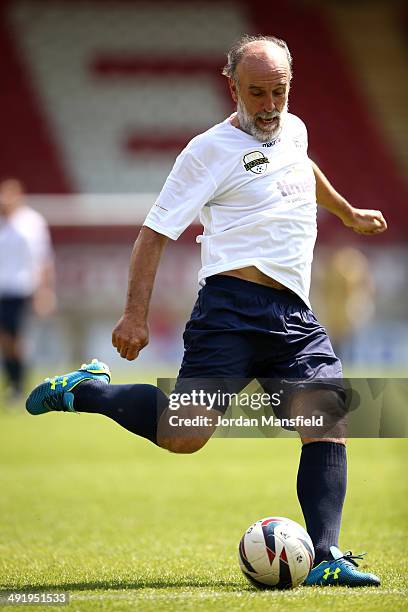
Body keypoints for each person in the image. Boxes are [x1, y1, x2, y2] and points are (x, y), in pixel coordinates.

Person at [26, 35, 387, 586]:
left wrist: (348, 212)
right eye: (258, 92)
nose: (270, 105)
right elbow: (153, 233)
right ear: (233, 86)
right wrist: (134, 315)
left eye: (279, 91)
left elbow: (302, 168)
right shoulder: (205, 151)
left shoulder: (293, 128)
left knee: (328, 423)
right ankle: (87, 391)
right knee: (184, 435)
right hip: (231, 311)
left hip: (293, 315)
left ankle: (328, 556)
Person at [0, 178, 56, 401]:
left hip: (23, 288)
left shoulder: (32, 222)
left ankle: (20, 385)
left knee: (17, 339)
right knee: (5, 339)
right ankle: (12, 384)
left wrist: (45, 290)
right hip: (2, 288)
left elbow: (44, 259)